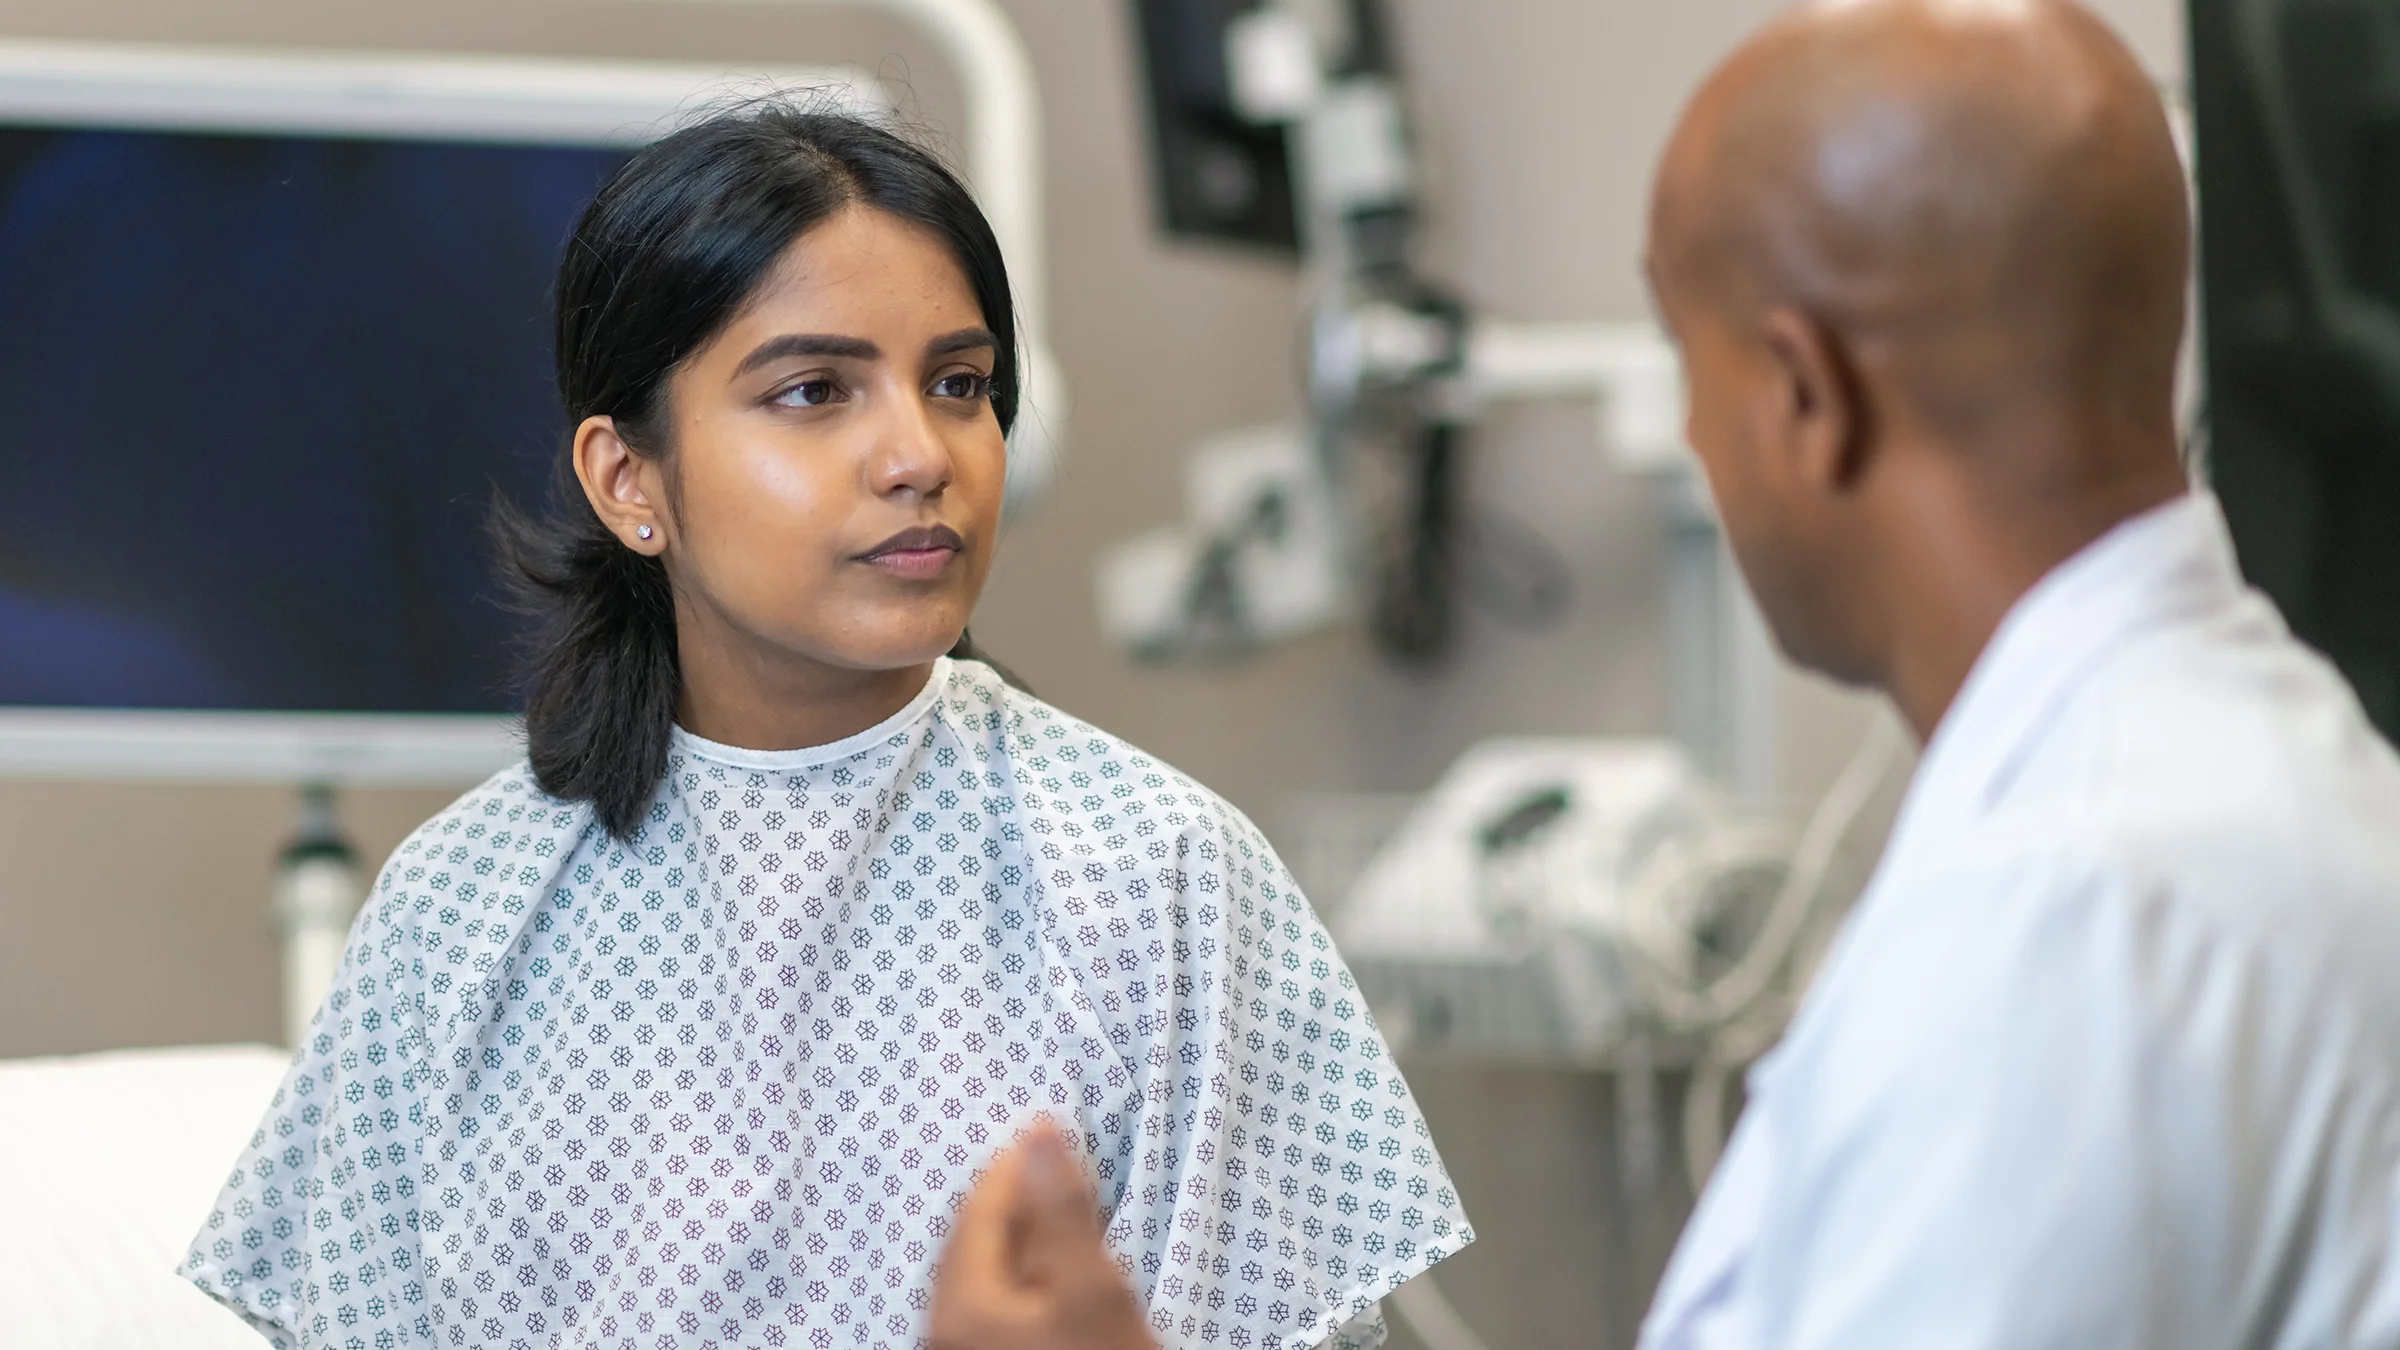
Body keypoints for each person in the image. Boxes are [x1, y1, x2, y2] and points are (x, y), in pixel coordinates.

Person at [929, 1, 2400, 1346]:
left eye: (1685, 358)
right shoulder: (2272, 756)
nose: (1692, 433)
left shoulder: (2069, 900)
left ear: (1805, 396)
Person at [178, 103, 1471, 1350]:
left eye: (959, 384)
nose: (920, 453)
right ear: (629, 478)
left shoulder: (1158, 878)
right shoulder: (460, 917)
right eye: (814, 392)